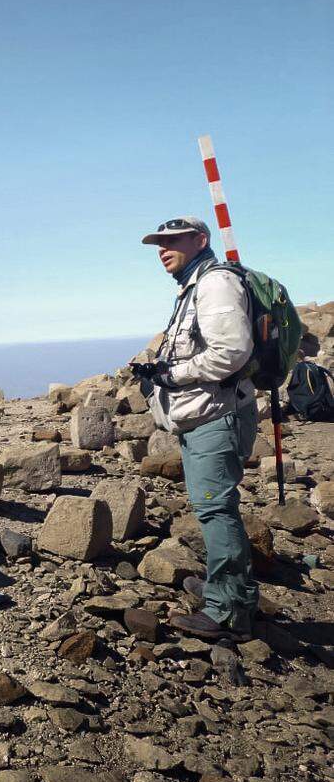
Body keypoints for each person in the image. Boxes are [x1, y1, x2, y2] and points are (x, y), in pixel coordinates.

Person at [132, 216, 259, 641]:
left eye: (172, 241)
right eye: (158, 244)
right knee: (212, 507)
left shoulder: (215, 283)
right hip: (202, 415)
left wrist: (174, 376)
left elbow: (231, 352)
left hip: (215, 417)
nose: (162, 249)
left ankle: (230, 614)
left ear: (200, 240)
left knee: (215, 509)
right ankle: (225, 590)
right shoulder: (193, 285)